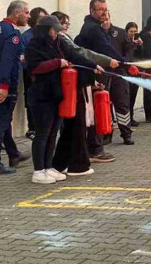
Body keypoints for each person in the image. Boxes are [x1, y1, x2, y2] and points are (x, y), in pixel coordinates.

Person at [24, 15, 99, 184]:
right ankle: (38, 170)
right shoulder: (34, 46)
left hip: (56, 95)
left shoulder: (58, 43)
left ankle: (49, 166)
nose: (56, 33)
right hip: (41, 97)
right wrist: (58, 63)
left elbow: (75, 55)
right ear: (46, 30)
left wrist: (94, 66)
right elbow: (35, 68)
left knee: (52, 133)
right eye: (53, 30)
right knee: (42, 134)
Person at [50, 11, 114, 177]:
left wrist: (92, 78)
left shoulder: (63, 39)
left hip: (76, 86)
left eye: (67, 23)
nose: (66, 26)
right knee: (76, 127)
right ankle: (77, 165)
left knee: (72, 128)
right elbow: (81, 54)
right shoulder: (61, 40)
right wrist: (101, 63)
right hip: (71, 89)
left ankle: (60, 164)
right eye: (63, 23)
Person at [75, 0, 127, 163]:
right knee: (97, 112)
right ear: (92, 11)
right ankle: (95, 150)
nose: (104, 12)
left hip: (95, 74)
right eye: (100, 10)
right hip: (95, 76)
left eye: (106, 9)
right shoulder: (94, 29)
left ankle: (93, 147)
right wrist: (123, 64)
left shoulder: (93, 27)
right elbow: (107, 49)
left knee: (95, 112)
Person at [0, 0, 31, 176]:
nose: (28, 16)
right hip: (2, 85)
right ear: (17, 13)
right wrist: (4, 86)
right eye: (26, 13)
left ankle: (13, 154)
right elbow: (7, 61)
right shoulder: (12, 34)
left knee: (0, 122)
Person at [104, 15, 140, 144]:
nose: (105, 20)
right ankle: (106, 134)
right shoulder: (95, 33)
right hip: (103, 73)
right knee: (104, 106)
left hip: (119, 73)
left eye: (107, 17)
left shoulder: (120, 33)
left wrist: (126, 61)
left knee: (122, 104)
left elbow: (130, 47)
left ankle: (126, 134)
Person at [20, 7, 48, 140]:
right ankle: (33, 127)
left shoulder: (48, 36)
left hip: (47, 74)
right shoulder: (26, 36)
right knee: (31, 100)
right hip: (31, 73)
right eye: (41, 18)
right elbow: (23, 58)